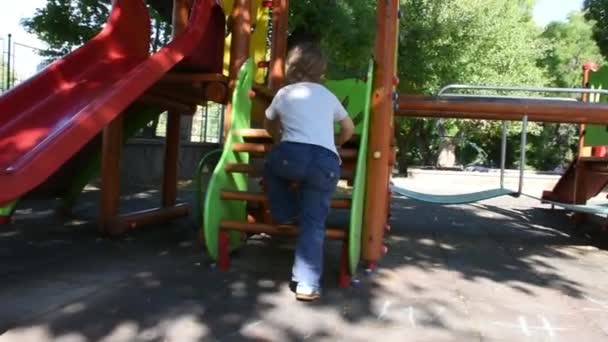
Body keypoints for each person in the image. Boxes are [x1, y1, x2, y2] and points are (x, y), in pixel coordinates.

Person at [263, 43, 355, 301]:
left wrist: (276, 138)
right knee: (314, 224)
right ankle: (306, 284)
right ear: (322, 72)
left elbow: (267, 121)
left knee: (270, 167)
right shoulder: (327, 95)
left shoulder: (284, 93)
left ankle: (286, 212)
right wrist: (337, 143)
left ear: (291, 69)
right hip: (324, 163)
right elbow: (348, 127)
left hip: (290, 156)